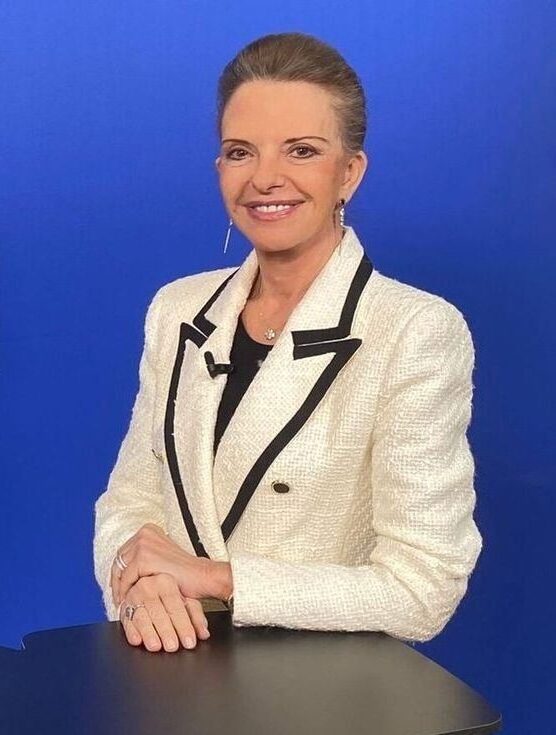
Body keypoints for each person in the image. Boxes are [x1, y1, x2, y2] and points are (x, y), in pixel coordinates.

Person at [92, 32, 482, 654]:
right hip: (172, 669)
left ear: (349, 172)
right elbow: (132, 497)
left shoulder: (414, 330)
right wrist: (140, 584)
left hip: (324, 688)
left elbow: (423, 587)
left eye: (301, 151)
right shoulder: (177, 308)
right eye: (240, 152)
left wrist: (218, 579)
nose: (265, 178)